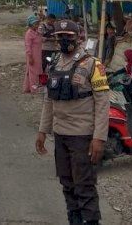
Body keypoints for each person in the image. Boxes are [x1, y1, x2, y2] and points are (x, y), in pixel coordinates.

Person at [36, 20, 110, 225]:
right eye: (60, 36)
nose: (64, 40)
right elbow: (48, 100)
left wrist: (99, 138)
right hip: (61, 135)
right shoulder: (54, 64)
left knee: (84, 185)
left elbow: (103, 103)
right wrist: (43, 130)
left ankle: (92, 222)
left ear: (79, 38)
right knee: (67, 183)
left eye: (69, 36)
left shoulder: (93, 65)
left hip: (83, 136)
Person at [24, 14, 43, 93]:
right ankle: (34, 89)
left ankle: (27, 87)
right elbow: (27, 46)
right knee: (33, 73)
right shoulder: (29, 33)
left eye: (38, 23)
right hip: (33, 55)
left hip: (38, 54)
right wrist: (30, 57)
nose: (37, 25)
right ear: (31, 24)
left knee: (31, 71)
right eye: (36, 24)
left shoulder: (36, 32)